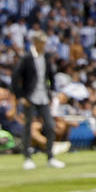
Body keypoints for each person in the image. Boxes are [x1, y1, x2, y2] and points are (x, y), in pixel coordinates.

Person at [12, 33, 65, 170]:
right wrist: (21, 97)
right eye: (42, 43)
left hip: (43, 97)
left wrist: (52, 92)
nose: (43, 46)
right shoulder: (27, 58)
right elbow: (15, 77)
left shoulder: (46, 57)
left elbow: (51, 76)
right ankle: (27, 158)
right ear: (35, 43)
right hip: (30, 98)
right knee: (28, 127)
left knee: (50, 125)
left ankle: (50, 157)